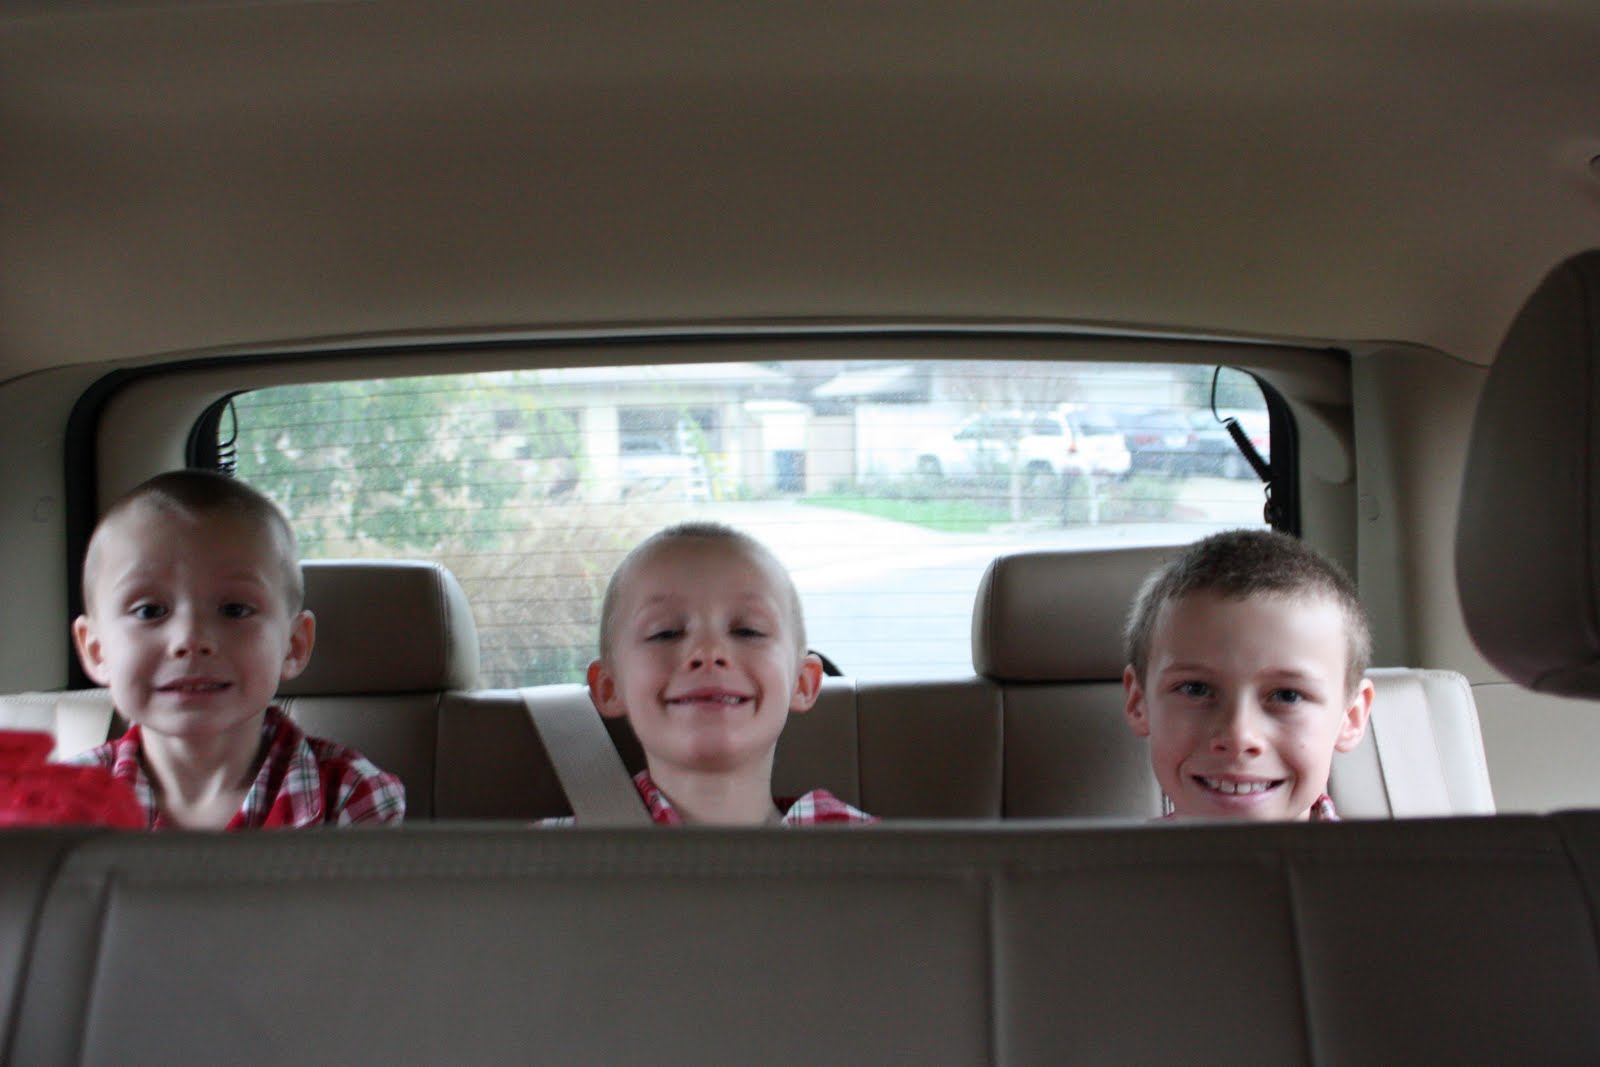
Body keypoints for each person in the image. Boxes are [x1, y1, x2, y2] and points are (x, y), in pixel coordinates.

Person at [65, 470, 404, 829]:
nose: (190, 639)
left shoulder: (350, 795)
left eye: (235, 610)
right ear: (97, 651)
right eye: (149, 611)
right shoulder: (60, 804)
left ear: (293, 645)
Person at [580, 522, 874, 826]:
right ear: (609, 687)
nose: (708, 651)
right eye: (665, 633)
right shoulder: (557, 848)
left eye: (748, 631)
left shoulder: (871, 848)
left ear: (802, 683)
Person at [1121, 528, 1374, 822]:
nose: (1238, 736)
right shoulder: (1109, 856)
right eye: (1195, 689)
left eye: (1287, 695)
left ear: (1351, 717)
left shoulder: (1391, 855)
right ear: (1139, 702)